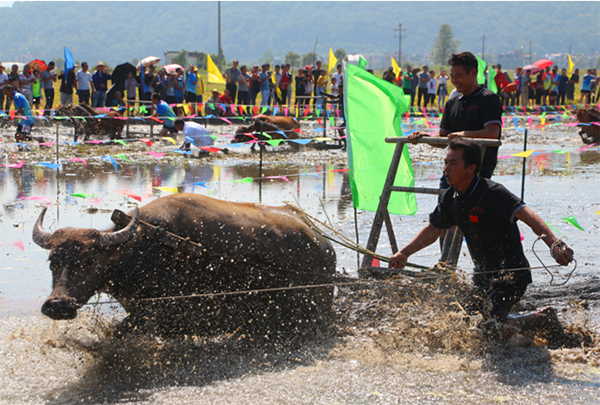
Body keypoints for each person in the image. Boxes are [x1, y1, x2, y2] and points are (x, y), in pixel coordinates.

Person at [390, 138, 574, 341]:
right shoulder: (451, 197)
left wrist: (555, 244)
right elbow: (434, 229)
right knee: (464, 324)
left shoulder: (493, 193)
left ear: (470, 168)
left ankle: (540, 318)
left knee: (487, 328)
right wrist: (404, 253)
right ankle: (527, 320)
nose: (446, 169)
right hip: (482, 275)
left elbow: (529, 216)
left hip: (511, 276)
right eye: (445, 162)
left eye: (453, 163)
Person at [409, 52, 502, 181]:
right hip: (452, 170)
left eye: (458, 76)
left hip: (476, 170)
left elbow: (492, 133)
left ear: (473, 73)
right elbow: (444, 138)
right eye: (452, 77)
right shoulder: (452, 102)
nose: (454, 81)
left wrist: (464, 134)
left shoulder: (488, 99)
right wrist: (424, 137)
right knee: (444, 199)